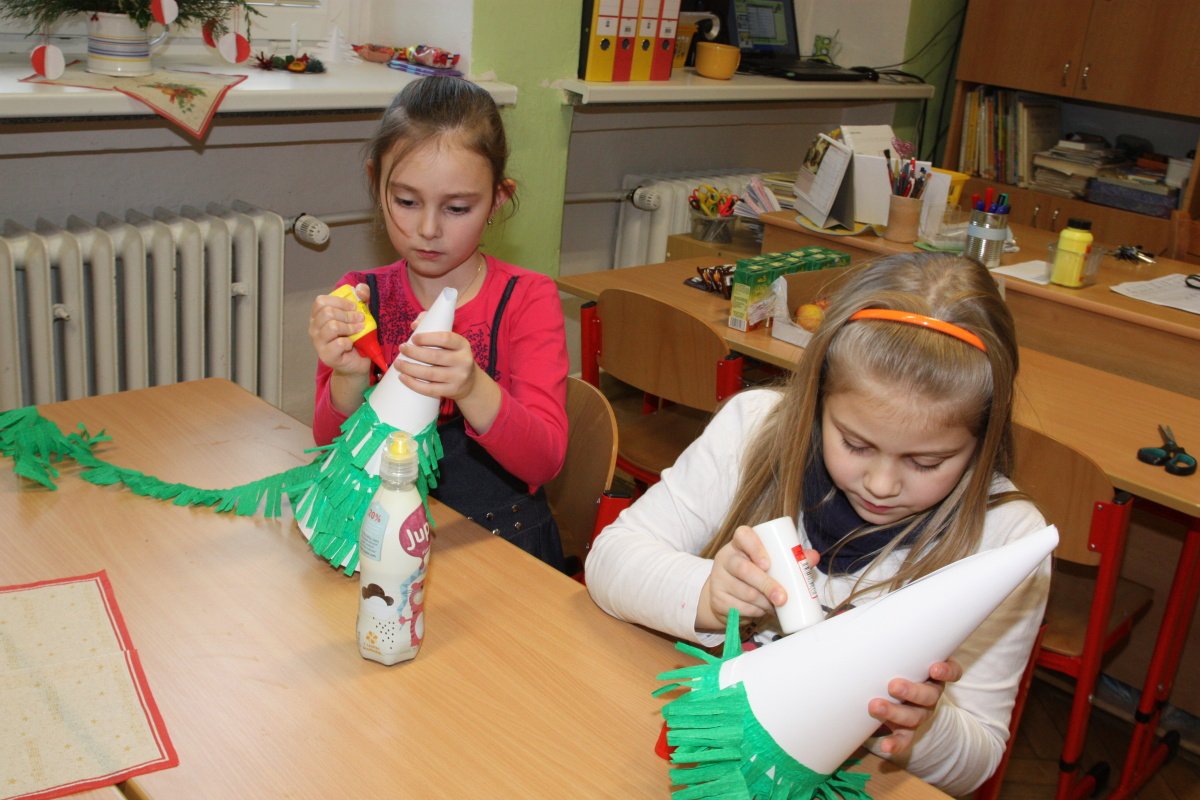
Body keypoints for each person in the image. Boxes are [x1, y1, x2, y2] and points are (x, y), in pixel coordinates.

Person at [586, 253, 1051, 796]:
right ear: (817, 398)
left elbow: (977, 763)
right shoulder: (754, 426)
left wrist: (924, 727)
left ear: (983, 440)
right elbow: (609, 560)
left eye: (927, 463)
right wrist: (708, 595)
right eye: (855, 444)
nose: (881, 485)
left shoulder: (1007, 538)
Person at [308, 76, 569, 570]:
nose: (428, 229)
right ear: (376, 184)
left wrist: (471, 387)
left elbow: (545, 460)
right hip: (381, 543)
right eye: (407, 202)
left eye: (457, 208)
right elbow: (330, 449)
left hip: (500, 549)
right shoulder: (360, 295)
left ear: (497, 199)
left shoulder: (526, 299)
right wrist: (347, 376)